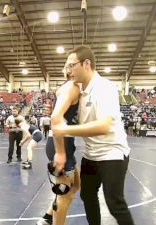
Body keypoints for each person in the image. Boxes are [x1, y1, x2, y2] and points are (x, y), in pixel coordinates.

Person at [53, 45, 134, 225]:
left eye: (72, 65)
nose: (68, 70)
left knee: (115, 204)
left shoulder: (104, 88)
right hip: (92, 155)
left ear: (86, 64)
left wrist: (64, 130)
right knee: (87, 195)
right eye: (66, 66)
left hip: (112, 153)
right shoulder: (80, 91)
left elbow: (103, 126)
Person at [38, 68, 81, 225]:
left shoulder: (70, 87)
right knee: (65, 195)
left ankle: (48, 217)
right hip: (61, 144)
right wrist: (61, 153)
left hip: (65, 143)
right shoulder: (72, 87)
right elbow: (56, 118)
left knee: (75, 185)